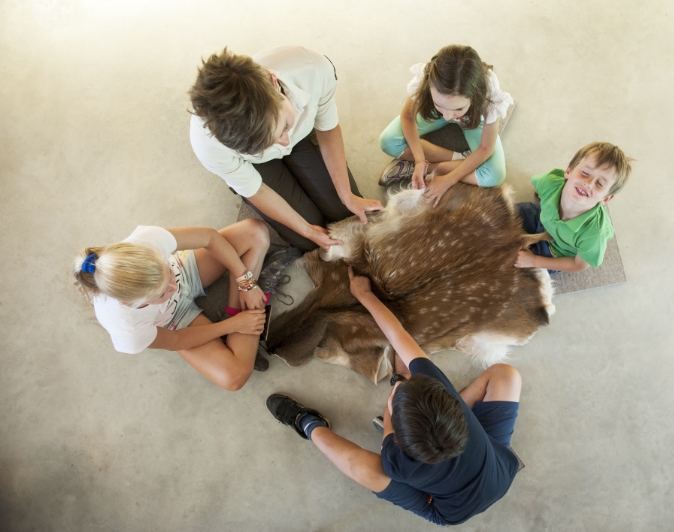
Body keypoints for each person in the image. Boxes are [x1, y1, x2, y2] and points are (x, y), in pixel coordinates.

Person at [266, 267, 521, 526]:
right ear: (450, 401)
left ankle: (308, 423)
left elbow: (390, 420)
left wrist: (397, 383)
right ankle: (430, 422)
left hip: (450, 510)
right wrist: (366, 296)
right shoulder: (435, 385)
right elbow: (399, 336)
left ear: (399, 439)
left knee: (363, 469)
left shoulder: (396, 462)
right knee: (507, 375)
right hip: (501, 469)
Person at [189, 46, 383, 251]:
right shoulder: (207, 146)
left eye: (284, 127)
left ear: (275, 83)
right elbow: (257, 189)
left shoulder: (314, 70)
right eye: (265, 144)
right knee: (308, 240)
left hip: (302, 136)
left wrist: (347, 196)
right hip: (256, 164)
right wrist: (307, 230)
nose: (284, 143)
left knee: (345, 213)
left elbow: (327, 130)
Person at [74, 220, 272, 391]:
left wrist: (246, 282)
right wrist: (231, 326)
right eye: (161, 293)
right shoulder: (127, 329)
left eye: (166, 271)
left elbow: (210, 237)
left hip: (185, 271)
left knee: (256, 232)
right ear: (130, 303)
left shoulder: (146, 241)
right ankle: (251, 297)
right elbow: (176, 340)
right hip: (173, 320)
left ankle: (242, 304)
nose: (174, 286)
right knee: (234, 377)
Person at [378, 44, 514, 208]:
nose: (448, 117)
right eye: (439, 104)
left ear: (475, 95)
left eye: (458, 108)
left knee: (495, 175)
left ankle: (432, 167)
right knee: (388, 141)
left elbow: (486, 148)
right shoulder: (426, 79)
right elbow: (408, 116)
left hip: (473, 120)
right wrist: (419, 160)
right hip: (433, 114)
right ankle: (462, 157)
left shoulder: (489, 94)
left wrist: (448, 179)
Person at [514, 142, 632, 273]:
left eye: (599, 183)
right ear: (568, 170)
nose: (588, 183)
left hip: (556, 251)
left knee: (517, 269)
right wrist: (541, 192)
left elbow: (579, 265)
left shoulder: (594, 236)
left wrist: (534, 260)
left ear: (606, 198)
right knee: (509, 212)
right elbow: (538, 183)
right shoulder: (550, 183)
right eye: (585, 173)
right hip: (541, 218)